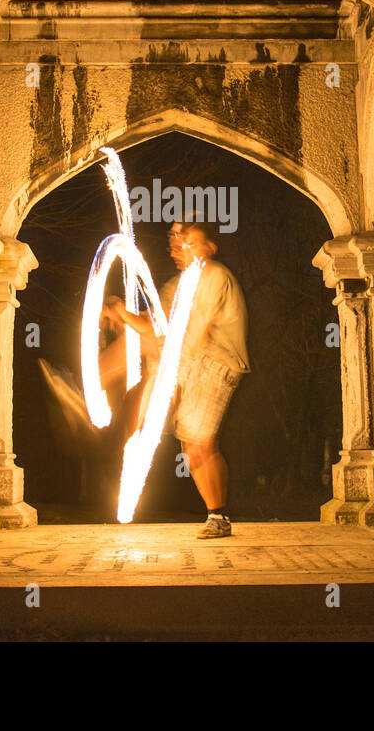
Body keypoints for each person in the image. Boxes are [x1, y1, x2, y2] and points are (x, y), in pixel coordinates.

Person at [102, 219, 249, 538]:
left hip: (214, 362)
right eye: (183, 243)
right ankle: (94, 392)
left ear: (210, 247)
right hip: (187, 359)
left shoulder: (213, 276)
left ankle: (218, 516)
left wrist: (162, 380)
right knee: (191, 444)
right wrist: (120, 311)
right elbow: (156, 321)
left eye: (194, 242)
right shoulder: (179, 285)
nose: (184, 248)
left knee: (197, 444)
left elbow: (190, 331)